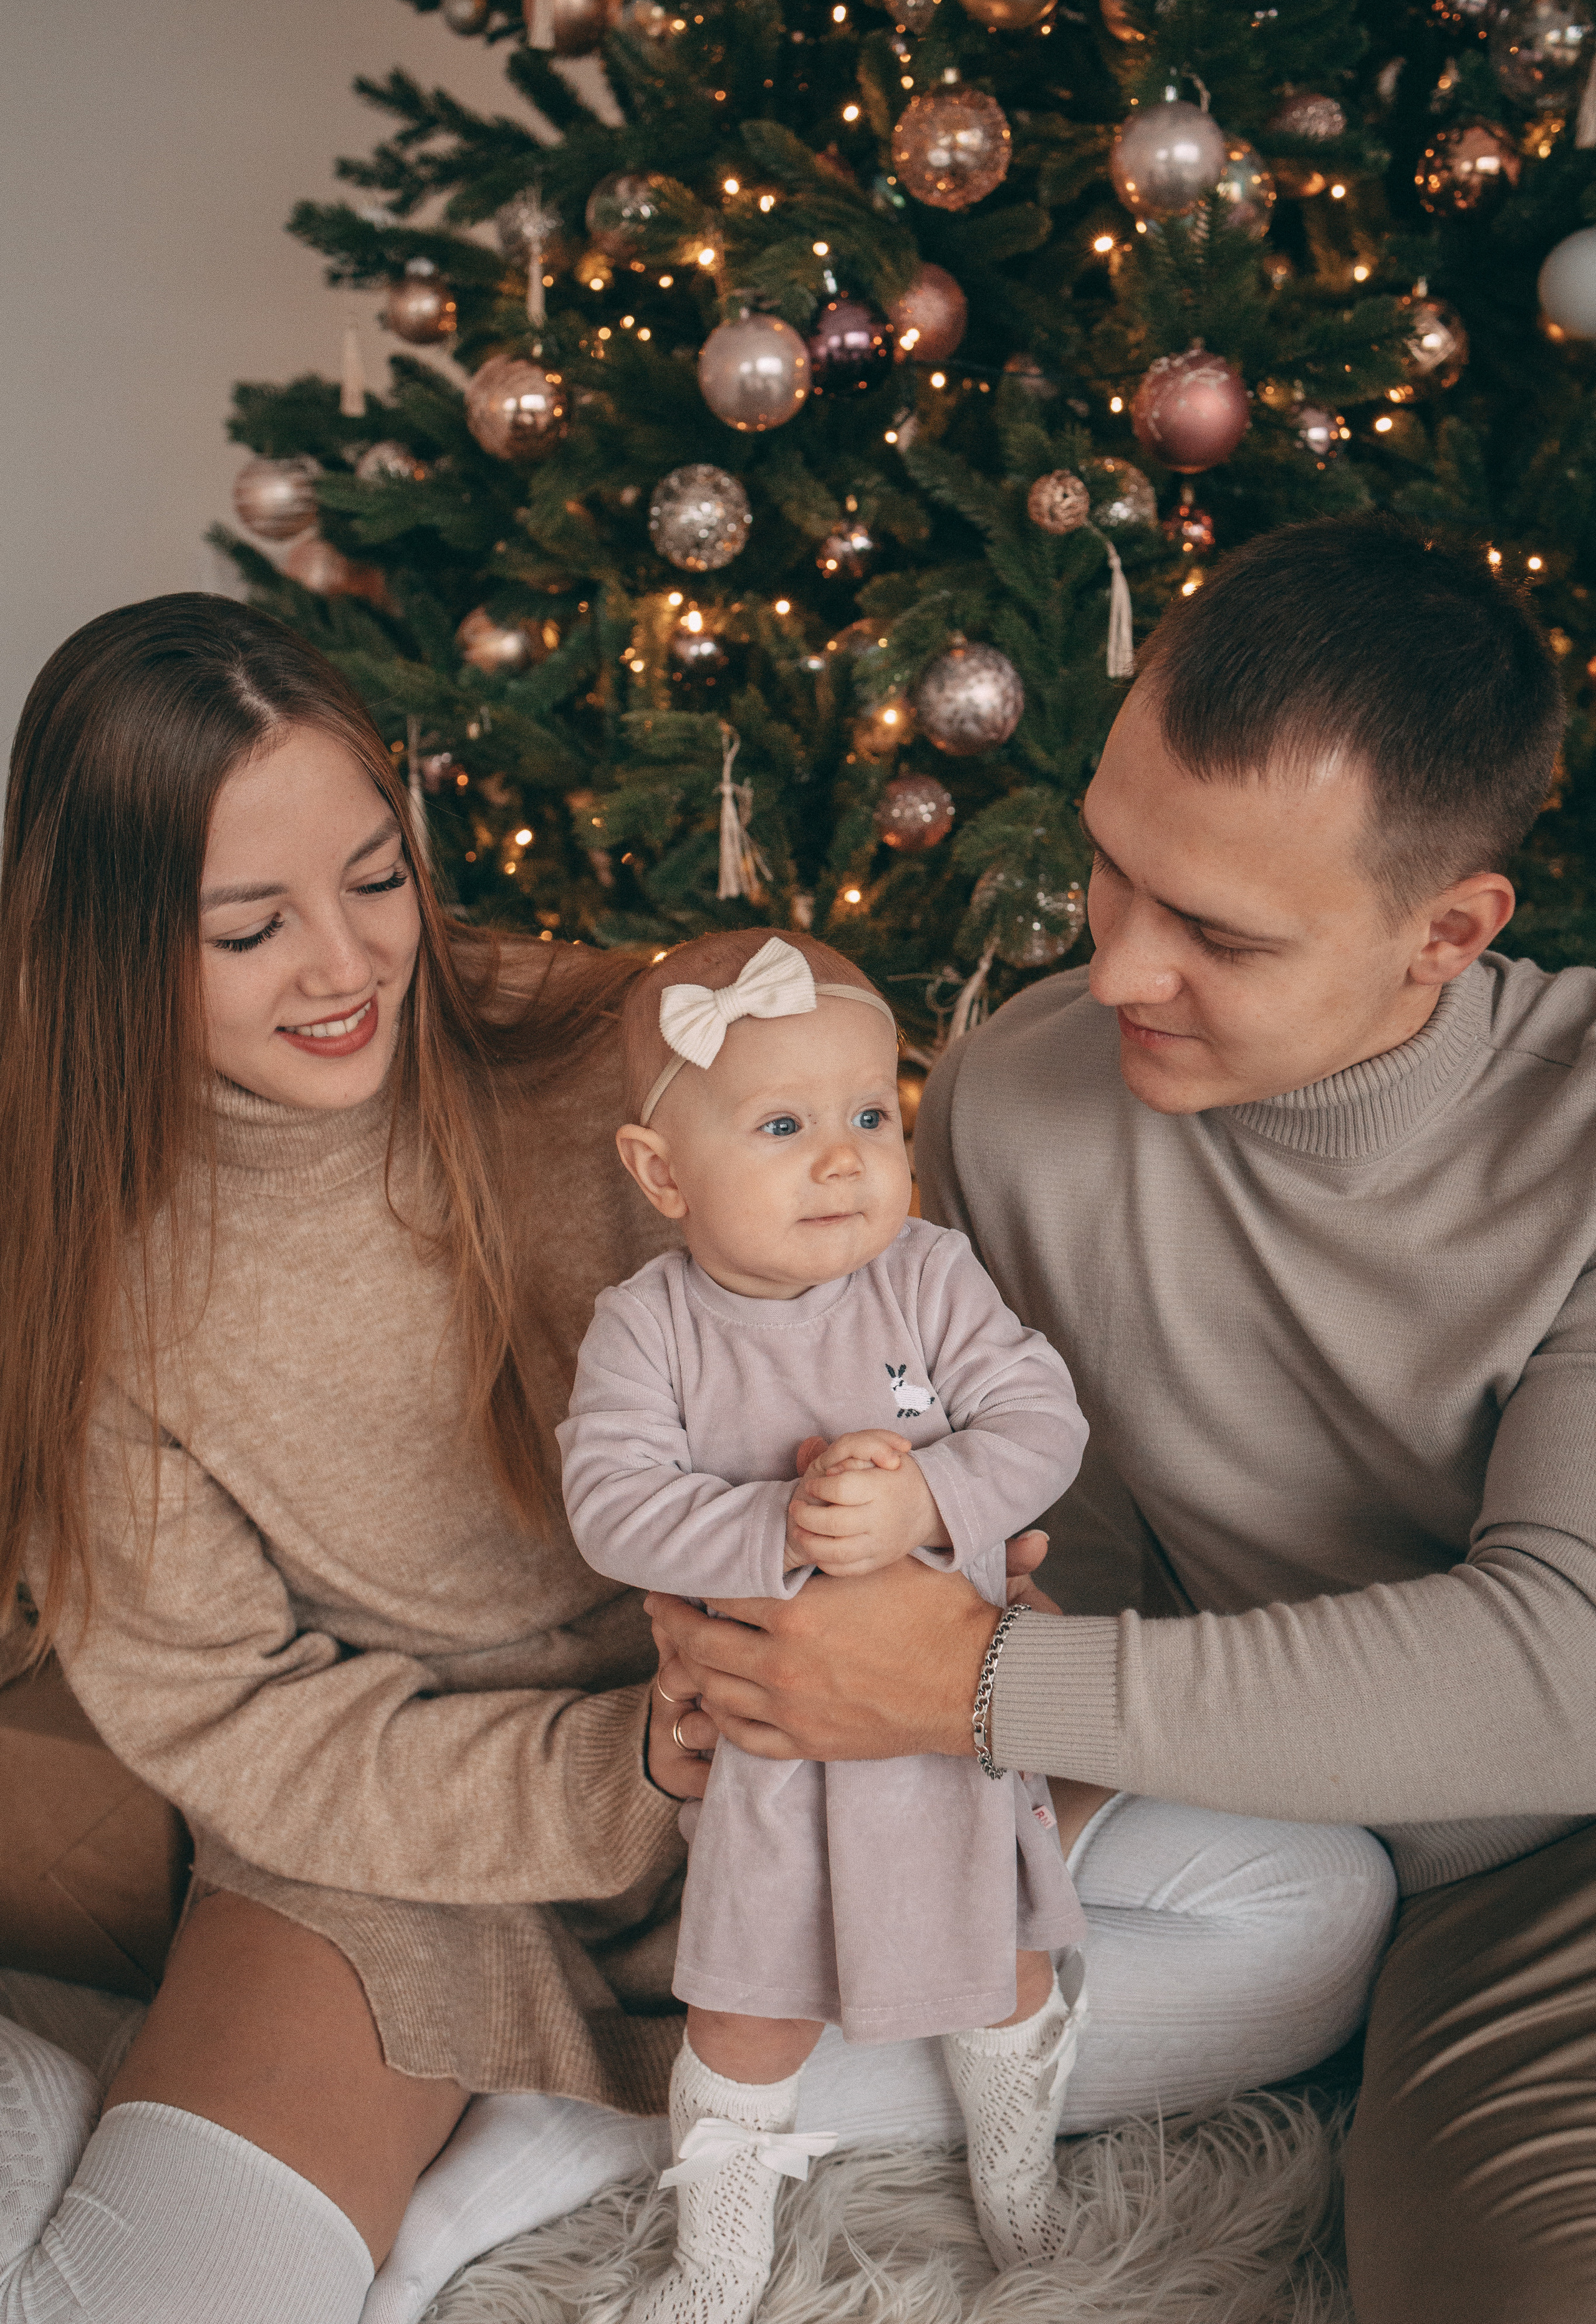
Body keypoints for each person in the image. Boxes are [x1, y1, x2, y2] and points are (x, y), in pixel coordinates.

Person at [0, 592, 1392, 2324]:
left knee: (1315, 1903)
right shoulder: (90, 1273)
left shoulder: (631, 1054)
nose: (351, 965)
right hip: (412, 1867)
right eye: (246, 927)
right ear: (113, 938)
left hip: (826, 1749)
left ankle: (607, 2134)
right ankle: (94, 2091)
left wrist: (952, 1538)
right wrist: (633, 1763)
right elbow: (243, 1724)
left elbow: (909, 1312)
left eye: (374, 878)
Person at [649, 515, 1596, 2324]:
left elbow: (1568, 1667)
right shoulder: (1024, 1096)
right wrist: (792, 1618)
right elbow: (1034, 1544)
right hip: (1468, 1918)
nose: (1122, 971)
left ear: (1450, 934)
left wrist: (968, 1684)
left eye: (1220, 933)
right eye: (1111, 873)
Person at [561, 928, 1090, 2322]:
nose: (844, 1158)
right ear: (660, 1173)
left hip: (946, 1734)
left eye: (870, 1115)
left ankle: (1017, 2184)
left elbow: (1042, 1421)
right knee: (744, 2007)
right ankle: (721, 2262)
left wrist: (928, 1496)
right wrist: (773, 1531)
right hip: (771, 1757)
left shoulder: (927, 1274)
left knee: (1002, 1970)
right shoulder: (648, 1327)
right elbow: (609, 1505)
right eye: (784, 1127)